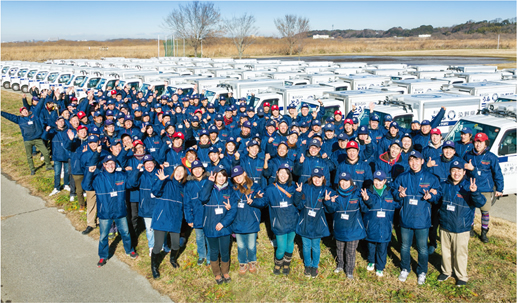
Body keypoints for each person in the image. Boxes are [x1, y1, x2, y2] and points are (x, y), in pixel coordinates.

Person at [392, 150, 441, 285]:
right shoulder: (402, 177)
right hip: (406, 217)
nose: (414, 163)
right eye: (411, 160)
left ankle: (422, 271)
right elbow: (394, 191)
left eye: (417, 160)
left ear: (422, 161)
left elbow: (438, 194)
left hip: (422, 219)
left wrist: (432, 196)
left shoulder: (431, 178)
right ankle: (405, 268)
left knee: (422, 248)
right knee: (404, 246)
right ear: (408, 162)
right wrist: (398, 194)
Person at [83, 154, 139, 267]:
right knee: (103, 236)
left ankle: (129, 250)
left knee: (125, 233)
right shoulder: (98, 178)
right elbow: (86, 186)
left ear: (115, 165)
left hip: (120, 211)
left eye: (113, 163)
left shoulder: (121, 176)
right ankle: (103, 256)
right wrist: (89, 172)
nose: (110, 166)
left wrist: (136, 171)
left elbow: (132, 183)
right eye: (108, 164)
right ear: (104, 165)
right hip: (105, 213)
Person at [437, 160, 486, 287]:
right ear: (450, 172)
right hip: (445, 224)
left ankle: (461, 275)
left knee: (460, 252)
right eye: (454, 170)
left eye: (459, 171)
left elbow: (480, 203)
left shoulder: (468, 186)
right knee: (446, 251)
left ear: (464, 172)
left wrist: (474, 192)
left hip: (461, 226)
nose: (456, 173)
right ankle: (446, 271)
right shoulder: (444, 185)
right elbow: (436, 199)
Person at [249, 163, 299, 276]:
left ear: (289, 175)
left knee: (290, 243)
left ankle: (287, 264)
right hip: (279, 222)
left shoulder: (293, 187)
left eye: (286, 173)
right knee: (281, 247)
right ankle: (278, 264)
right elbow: (264, 202)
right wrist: (254, 201)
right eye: (281, 172)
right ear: (277, 173)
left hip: (292, 220)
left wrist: (300, 194)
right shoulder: (270, 188)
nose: (283, 175)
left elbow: (298, 203)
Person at [199, 166, 238, 284]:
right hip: (210, 226)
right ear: (214, 177)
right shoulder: (209, 187)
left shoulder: (230, 191)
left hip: (225, 227)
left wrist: (223, 223)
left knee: (225, 250)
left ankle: (225, 271)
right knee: (214, 250)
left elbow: (234, 210)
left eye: (224, 176)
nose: (221, 179)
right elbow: (202, 198)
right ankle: (217, 273)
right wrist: (209, 183)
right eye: (219, 176)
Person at [294, 167, 334, 278]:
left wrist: (327, 201)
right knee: (306, 246)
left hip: (318, 223)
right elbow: (299, 205)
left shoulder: (327, 190)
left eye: (319, 177)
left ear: (323, 178)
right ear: (312, 178)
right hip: (305, 221)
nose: (317, 180)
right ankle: (307, 265)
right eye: (315, 177)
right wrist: (298, 194)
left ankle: (314, 266)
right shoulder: (305, 188)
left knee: (316, 246)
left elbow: (330, 210)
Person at [463, 132, 504, 243]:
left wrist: (500, 189)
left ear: (486, 144)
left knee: (485, 211)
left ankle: (484, 232)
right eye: (476, 142)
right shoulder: (468, 155)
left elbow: (498, 173)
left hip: (485, 188)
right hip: (470, 187)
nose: (478, 144)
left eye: (481, 142)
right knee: (470, 209)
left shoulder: (491, 157)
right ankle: (470, 228)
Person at [149, 165, 188, 279]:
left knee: (176, 244)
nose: (179, 173)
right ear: (174, 172)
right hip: (161, 219)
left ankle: (173, 259)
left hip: (175, 220)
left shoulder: (183, 188)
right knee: (158, 245)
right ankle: (154, 267)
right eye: (177, 170)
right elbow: (155, 191)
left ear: (184, 175)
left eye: (182, 171)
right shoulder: (166, 182)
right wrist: (160, 181)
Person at [326, 172, 366, 279]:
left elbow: (366, 208)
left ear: (351, 182)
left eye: (346, 181)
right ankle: (340, 265)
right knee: (339, 249)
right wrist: (330, 202)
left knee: (350, 251)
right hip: (339, 228)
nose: (344, 184)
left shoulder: (357, 193)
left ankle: (349, 271)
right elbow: (330, 210)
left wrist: (366, 199)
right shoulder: (335, 194)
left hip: (354, 229)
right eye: (342, 181)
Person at [361, 170, 401, 278]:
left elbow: (397, 204)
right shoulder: (367, 192)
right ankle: (371, 261)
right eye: (375, 180)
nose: (377, 183)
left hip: (385, 225)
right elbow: (364, 208)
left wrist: (401, 196)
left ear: (384, 181)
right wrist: (366, 200)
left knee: (382, 247)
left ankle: (380, 266)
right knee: (371, 245)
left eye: (380, 181)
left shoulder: (390, 192)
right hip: (371, 224)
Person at [1, 101, 53, 175]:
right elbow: (9, 116)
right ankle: (32, 169)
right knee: (29, 156)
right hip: (27, 141)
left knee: (46, 152)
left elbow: (39, 106)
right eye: (23, 111)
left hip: (37, 139)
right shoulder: (19, 119)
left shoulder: (34, 115)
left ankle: (48, 165)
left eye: (25, 110)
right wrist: (1, 112)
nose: (25, 112)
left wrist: (43, 98)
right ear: (21, 113)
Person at [230, 166, 263, 275]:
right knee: (241, 246)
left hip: (251, 221)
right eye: (235, 177)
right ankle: (242, 263)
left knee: (251, 245)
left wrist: (255, 200)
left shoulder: (255, 186)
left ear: (244, 173)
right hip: (238, 222)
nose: (237, 178)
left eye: (239, 175)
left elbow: (263, 202)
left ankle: (252, 262)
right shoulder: (233, 189)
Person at [184, 160, 211, 266]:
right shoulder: (189, 184)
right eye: (195, 169)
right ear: (192, 171)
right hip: (197, 216)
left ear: (203, 169)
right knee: (199, 237)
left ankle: (210, 256)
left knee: (209, 236)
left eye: (199, 168)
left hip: (209, 214)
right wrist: (189, 219)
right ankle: (202, 255)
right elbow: (187, 203)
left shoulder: (209, 180)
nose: (197, 171)